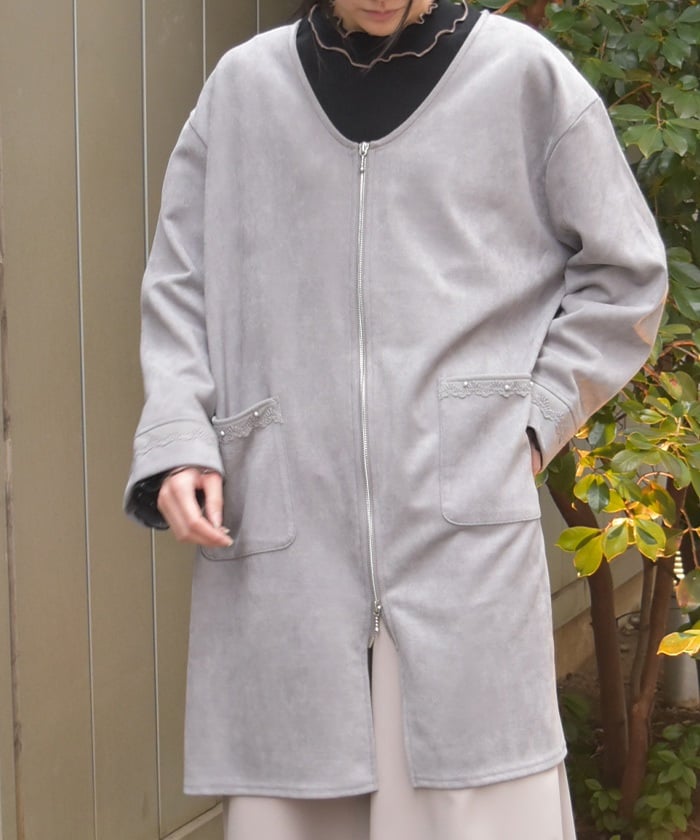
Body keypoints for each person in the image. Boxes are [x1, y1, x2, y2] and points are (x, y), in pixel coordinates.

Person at [124, 0, 668, 837]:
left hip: (461, 531)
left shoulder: (522, 77)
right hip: (291, 532)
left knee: (477, 797)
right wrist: (180, 438)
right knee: (294, 801)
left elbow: (626, 274)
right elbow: (178, 285)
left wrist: (533, 419)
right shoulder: (242, 92)